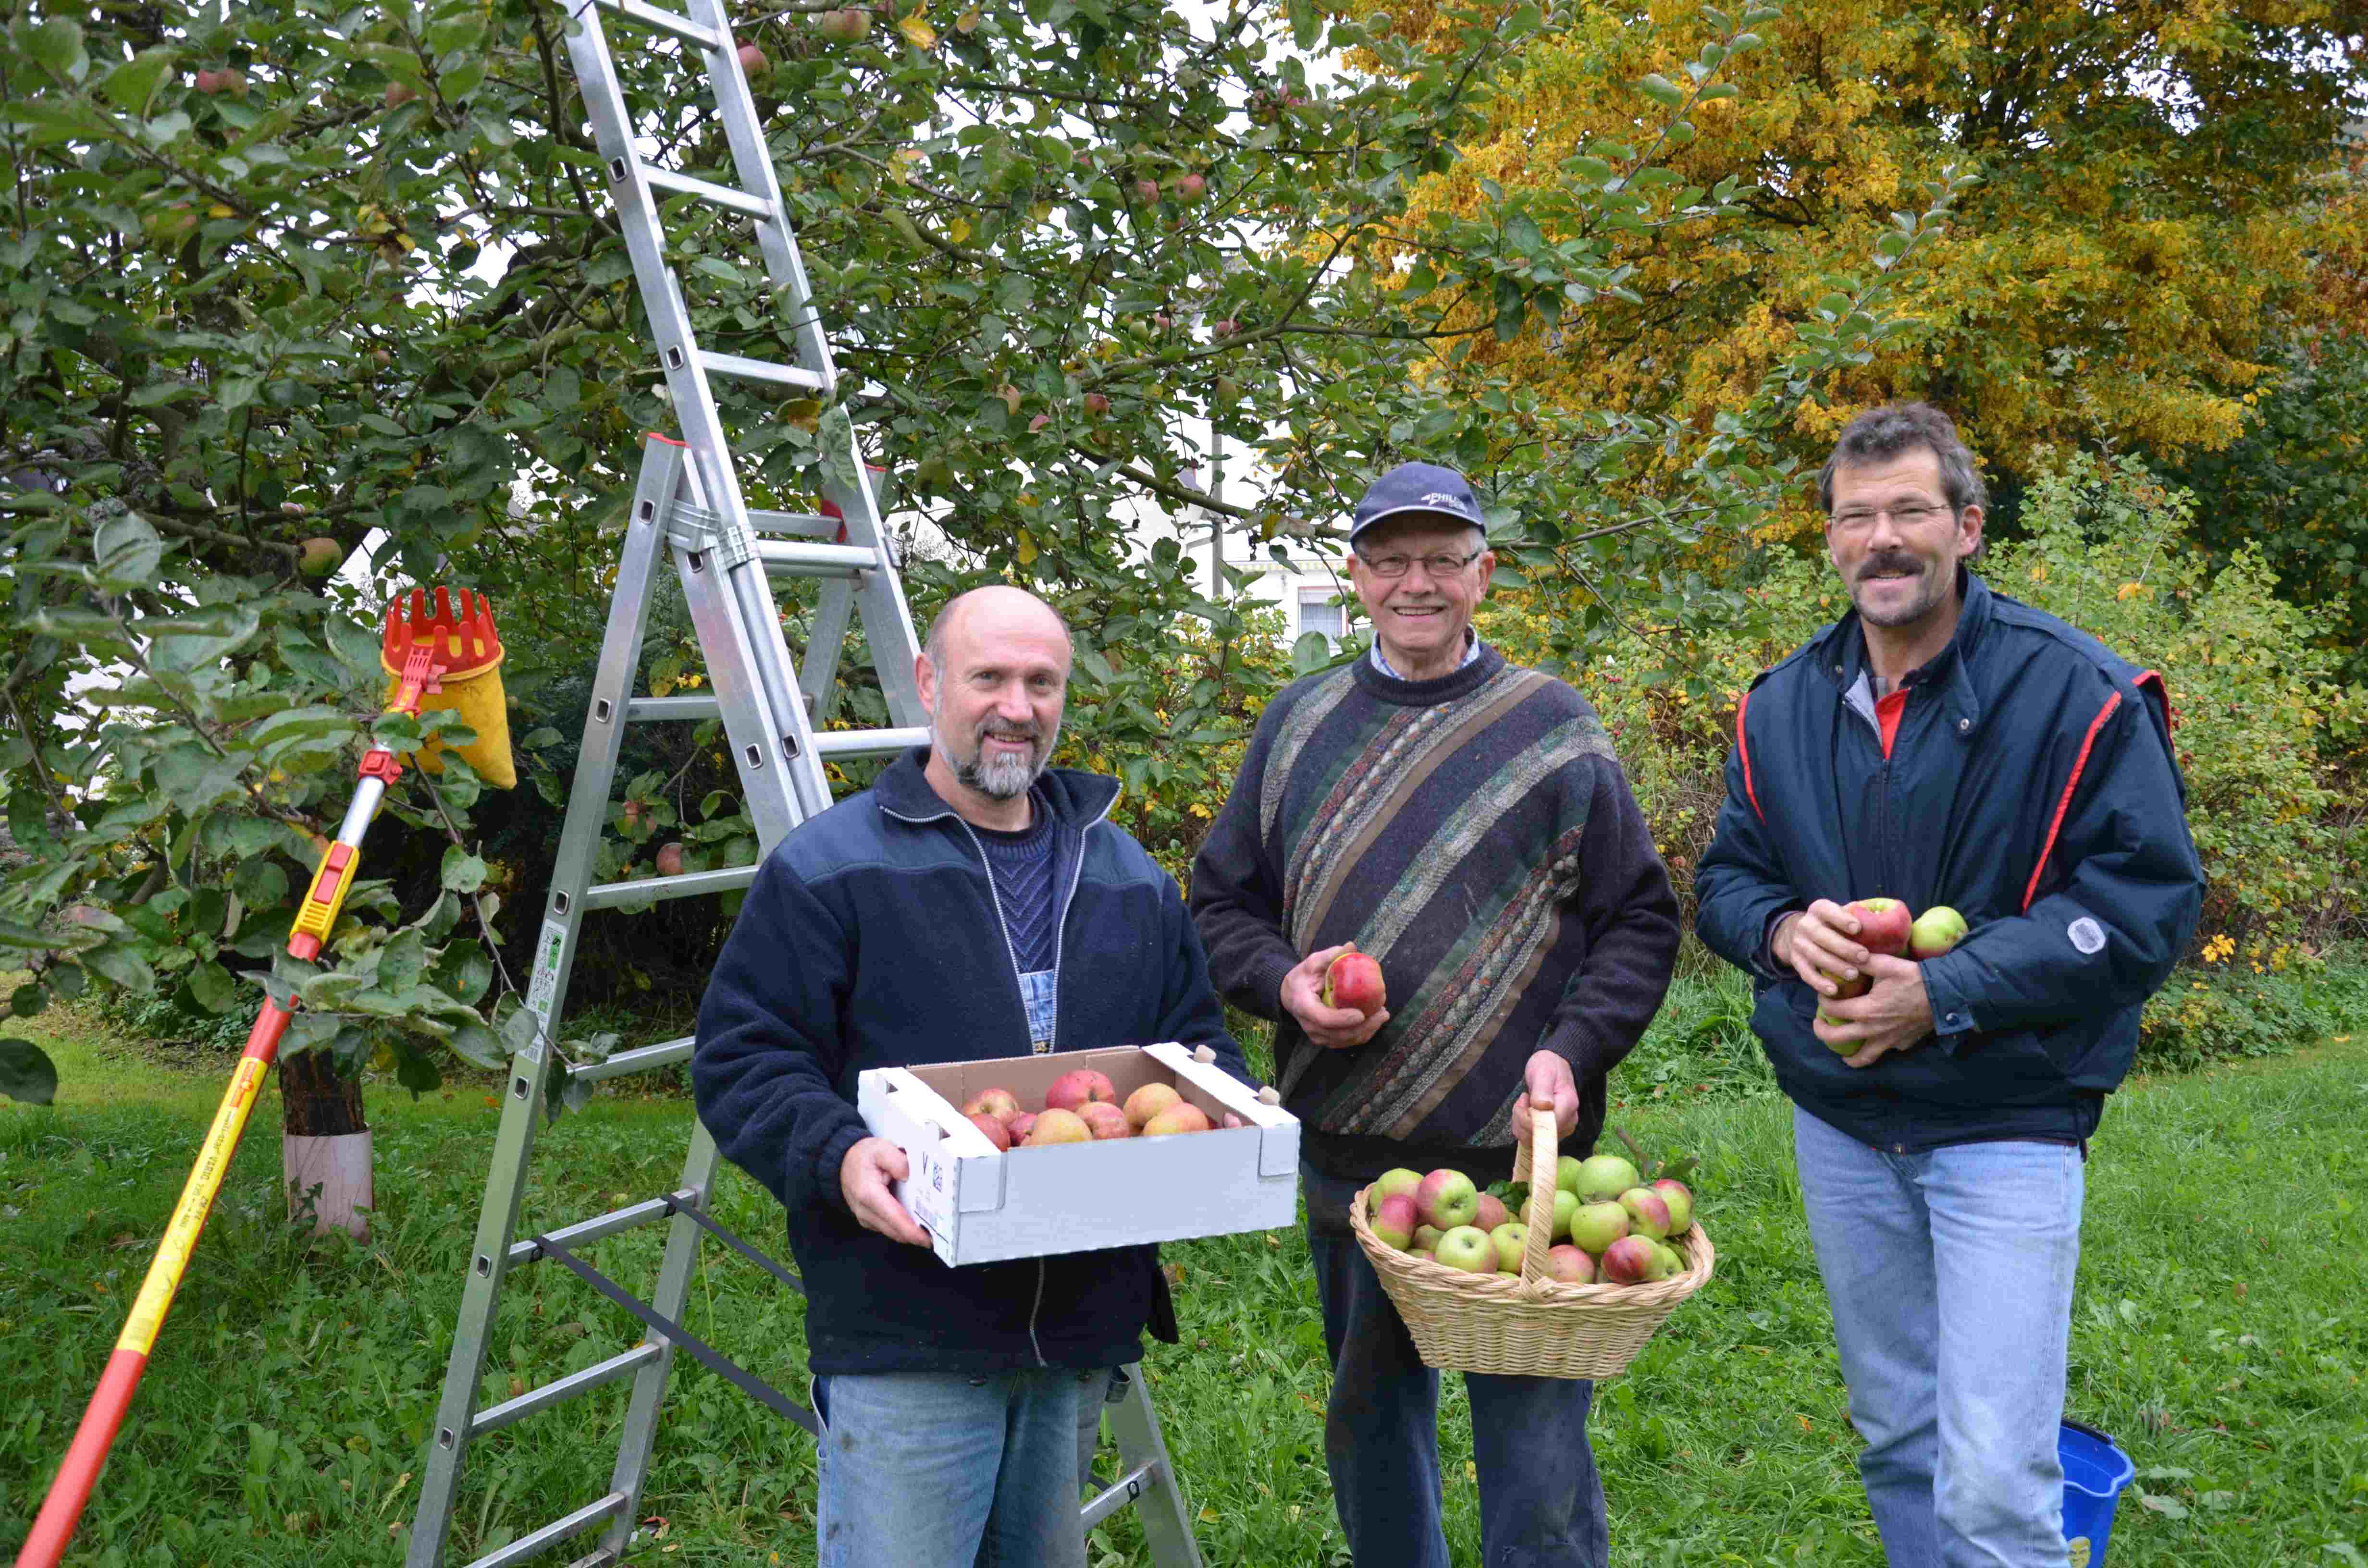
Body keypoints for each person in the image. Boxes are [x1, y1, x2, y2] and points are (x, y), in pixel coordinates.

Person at [1693, 403, 2203, 1567]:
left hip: (2005, 1119)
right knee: (1897, 1438)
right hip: (1841, 1120)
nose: (1882, 538)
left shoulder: (2075, 692)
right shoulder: (1778, 707)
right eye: (1856, 515)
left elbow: (2144, 907)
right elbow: (1728, 876)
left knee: (1990, 1475)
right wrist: (1780, 934)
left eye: (1910, 511)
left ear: (1967, 528)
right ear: (1828, 540)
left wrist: (1946, 988)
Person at [693, 585, 1254, 1568]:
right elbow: (745, 1057)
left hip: (1079, 1325)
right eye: (987, 676)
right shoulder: (830, 868)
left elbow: (1195, 1046)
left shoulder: (1125, 876)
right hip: (910, 1330)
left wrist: (1226, 1111)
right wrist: (836, 1155)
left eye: (1041, 682)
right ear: (928, 684)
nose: (1016, 705)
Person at [1190, 461, 1681, 1568]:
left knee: (1538, 1453)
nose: (1417, 582)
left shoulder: (1552, 729)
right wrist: (1282, 985)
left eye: (1443, 560)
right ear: (1356, 577)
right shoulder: (1297, 726)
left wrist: (1572, 1047)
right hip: (1352, 1159)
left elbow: (1639, 921)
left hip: (1525, 1169)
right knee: (1371, 1426)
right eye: (1392, 560)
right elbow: (1220, 904)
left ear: (1484, 575)